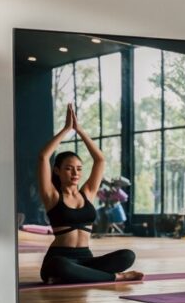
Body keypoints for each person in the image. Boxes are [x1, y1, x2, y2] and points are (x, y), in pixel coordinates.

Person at [37, 104, 144, 284]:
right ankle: (115, 277)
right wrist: (66, 130)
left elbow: (100, 159)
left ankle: (80, 275)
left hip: (86, 259)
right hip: (60, 259)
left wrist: (79, 130)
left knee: (127, 256)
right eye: (69, 169)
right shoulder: (52, 196)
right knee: (59, 265)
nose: (75, 173)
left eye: (79, 169)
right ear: (57, 171)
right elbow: (43, 157)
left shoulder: (87, 193)